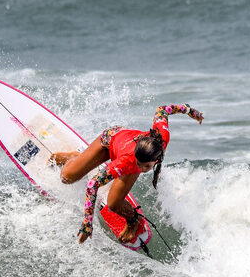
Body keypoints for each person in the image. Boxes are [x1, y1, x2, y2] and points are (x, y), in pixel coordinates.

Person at [50, 104, 204, 244]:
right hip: (110, 138)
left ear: (156, 159)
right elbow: (93, 184)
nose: (142, 169)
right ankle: (73, 157)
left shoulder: (161, 137)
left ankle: (133, 221)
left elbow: (163, 110)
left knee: (114, 203)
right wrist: (87, 223)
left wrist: (191, 111)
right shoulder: (127, 162)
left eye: (146, 167)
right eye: (139, 165)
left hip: (128, 150)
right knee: (67, 178)